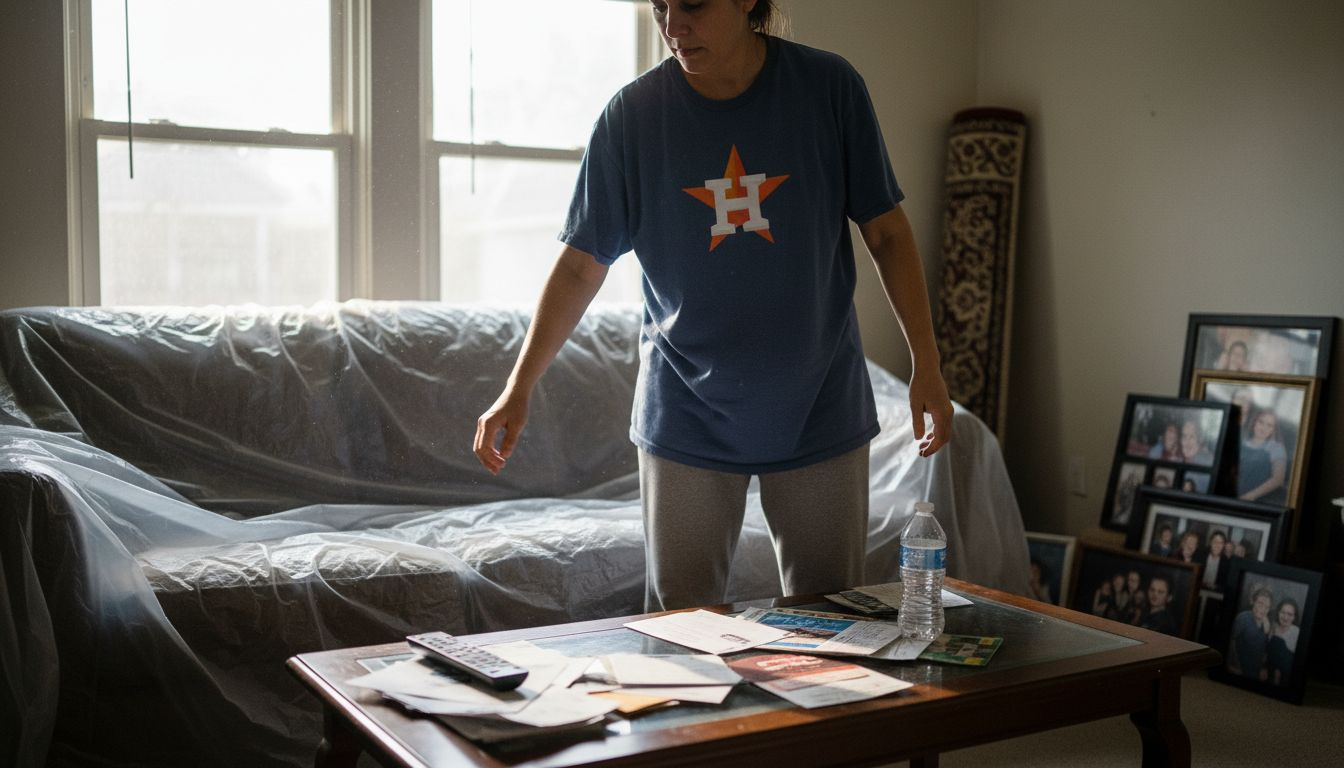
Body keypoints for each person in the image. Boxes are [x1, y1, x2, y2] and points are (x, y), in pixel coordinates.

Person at [473, 0, 954, 612]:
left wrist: (928, 366)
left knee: (830, 624)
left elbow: (887, 233)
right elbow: (579, 264)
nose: (674, 26)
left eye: (693, 4)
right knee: (682, 632)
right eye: (660, 6)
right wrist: (518, 387)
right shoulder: (632, 116)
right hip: (685, 414)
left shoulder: (830, 88)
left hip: (819, 407)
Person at [1237, 409, 1288, 504]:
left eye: (1269, 425)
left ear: (1273, 430)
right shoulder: (1241, 443)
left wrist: (1250, 496)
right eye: (1261, 422)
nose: (1263, 428)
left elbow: (1278, 479)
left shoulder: (1276, 448)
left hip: (1254, 500)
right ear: (1254, 422)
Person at [1227, 587, 1273, 681]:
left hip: (1256, 672)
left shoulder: (1267, 623)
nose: (1263, 609)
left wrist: (1264, 667)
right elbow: (1230, 641)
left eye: (1267, 607)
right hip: (1240, 668)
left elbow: (1266, 649)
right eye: (1260, 603)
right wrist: (1232, 665)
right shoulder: (1243, 618)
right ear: (1253, 602)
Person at [1266, 597, 1300, 687]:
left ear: (1294, 617)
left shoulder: (1297, 633)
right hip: (1269, 674)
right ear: (1278, 613)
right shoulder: (1271, 626)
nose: (1285, 617)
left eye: (1290, 614)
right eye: (1283, 612)